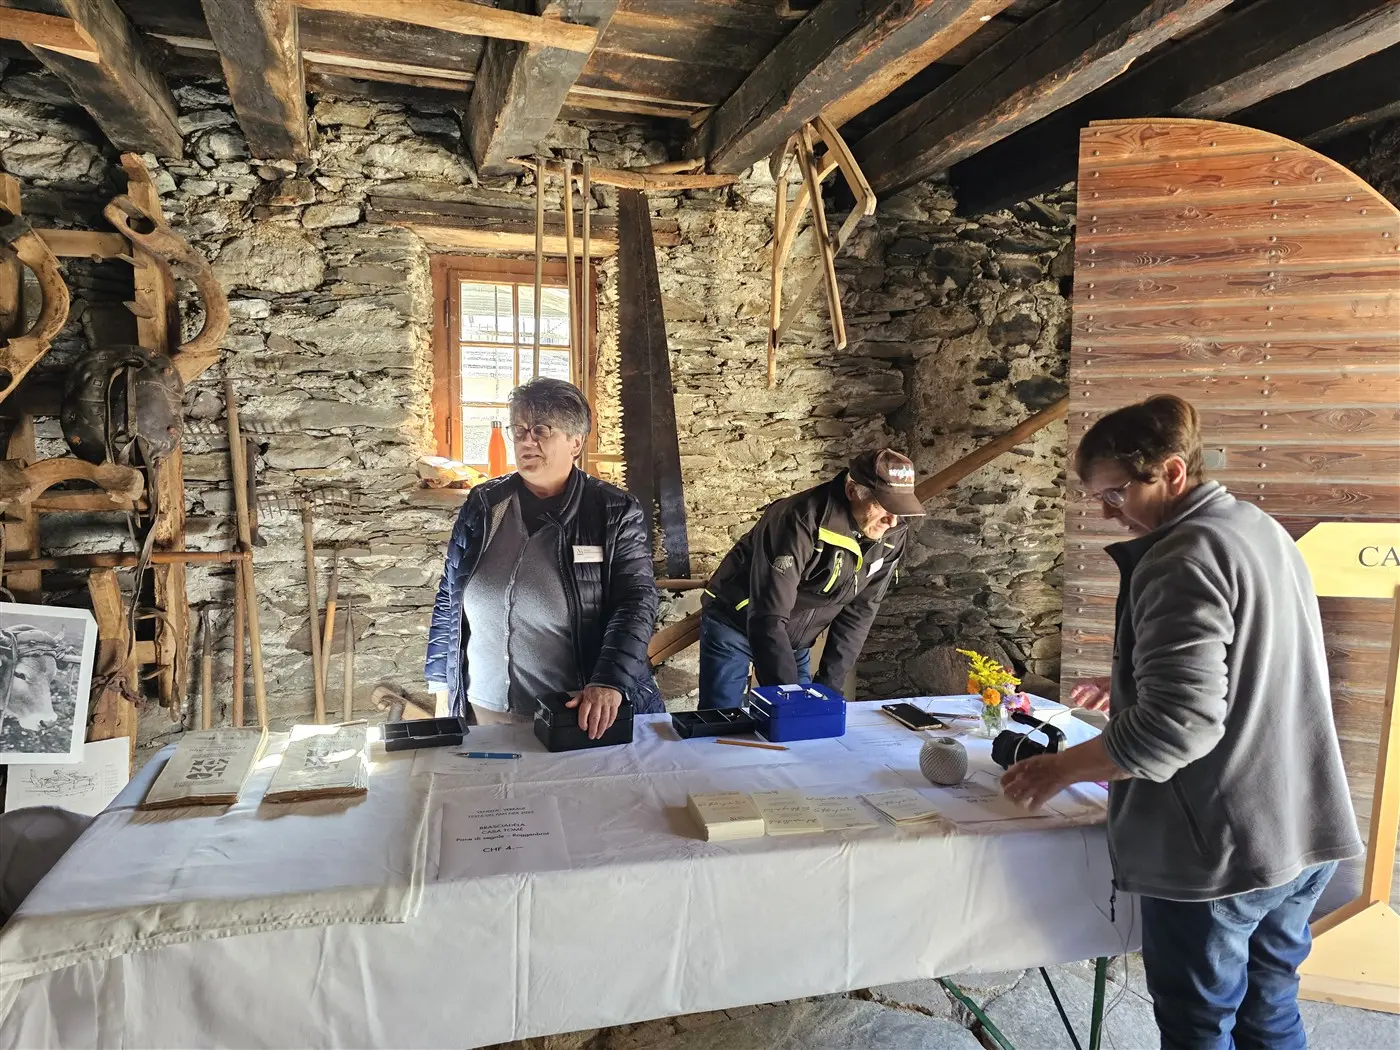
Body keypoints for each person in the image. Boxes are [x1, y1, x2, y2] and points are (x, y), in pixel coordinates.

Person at [1000, 395, 1361, 1050]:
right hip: (1302, 827)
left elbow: (1175, 729)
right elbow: (1249, 668)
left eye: (1114, 494)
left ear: (1169, 472)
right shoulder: (1257, 527)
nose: (1106, 512)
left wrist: (1060, 768)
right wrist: (1133, 688)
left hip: (1224, 850)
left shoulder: (1180, 558)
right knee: (1269, 1011)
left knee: (1200, 1030)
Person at [426, 377, 662, 738]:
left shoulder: (612, 510)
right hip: (483, 708)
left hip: (573, 712)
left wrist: (609, 682)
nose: (525, 440)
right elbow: (451, 596)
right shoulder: (485, 504)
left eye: (540, 430)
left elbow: (635, 602)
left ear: (575, 442)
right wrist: (441, 683)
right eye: (518, 429)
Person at [698, 449, 924, 709]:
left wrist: (828, 690)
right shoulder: (798, 519)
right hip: (736, 623)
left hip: (795, 638)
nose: (892, 521)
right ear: (853, 491)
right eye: (884, 506)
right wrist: (790, 698)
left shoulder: (891, 533)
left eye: (899, 508)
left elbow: (861, 611)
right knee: (723, 720)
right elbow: (767, 616)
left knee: (807, 729)